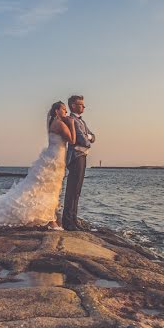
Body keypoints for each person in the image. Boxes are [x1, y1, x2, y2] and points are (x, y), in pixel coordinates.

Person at [0, 101, 75, 228]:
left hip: (55, 158)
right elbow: (72, 139)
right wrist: (71, 124)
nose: (66, 112)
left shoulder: (53, 123)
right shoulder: (59, 123)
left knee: (49, 188)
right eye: (64, 109)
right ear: (57, 111)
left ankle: (48, 217)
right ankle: (50, 219)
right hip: (54, 159)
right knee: (49, 189)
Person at [62, 94, 95, 231]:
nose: (84, 107)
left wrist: (89, 137)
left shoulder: (82, 121)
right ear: (73, 106)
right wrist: (88, 137)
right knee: (72, 189)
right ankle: (68, 221)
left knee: (77, 190)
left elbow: (93, 137)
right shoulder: (73, 120)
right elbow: (84, 140)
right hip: (76, 157)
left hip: (81, 155)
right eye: (81, 104)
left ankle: (73, 219)